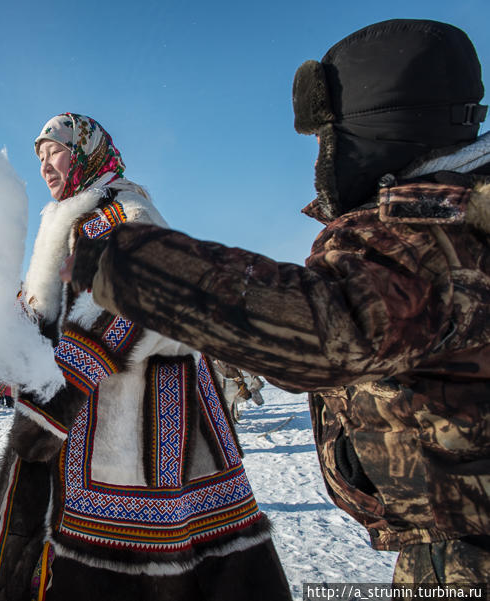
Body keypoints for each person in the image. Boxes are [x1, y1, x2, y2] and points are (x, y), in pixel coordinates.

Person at [63, 20, 490, 585]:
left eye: (326, 138)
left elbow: (329, 327)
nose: (318, 155)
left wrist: (124, 264)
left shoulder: (435, 236)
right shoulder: (450, 220)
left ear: (376, 130)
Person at [0, 113, 291, 601]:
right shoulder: (69, 222)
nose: (45, 166)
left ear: (87, 151)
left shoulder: (124, 213)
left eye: (54, 151)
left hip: (132, 429)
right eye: (39, 156)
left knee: (131, 568)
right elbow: (43, 312)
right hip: (90, 420)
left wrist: (55, 399)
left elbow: (127, 310)